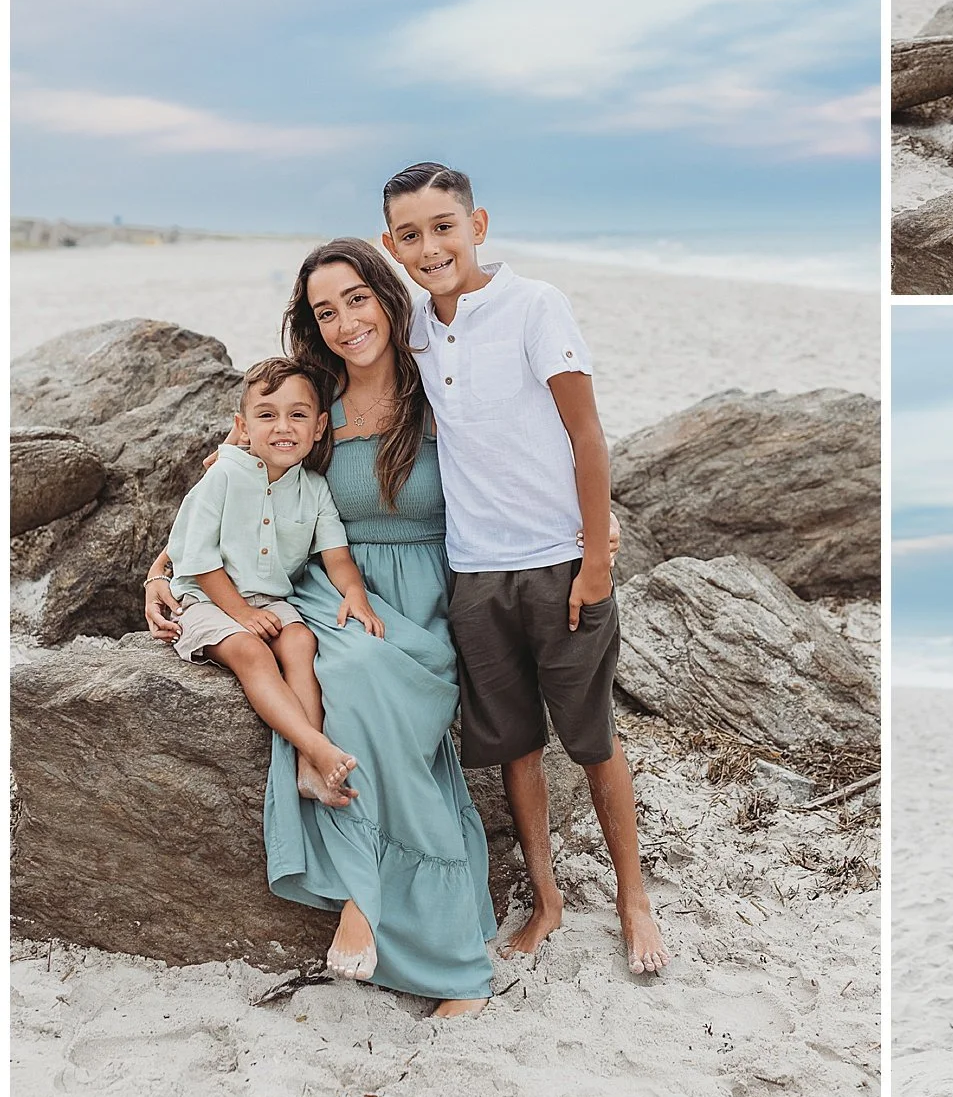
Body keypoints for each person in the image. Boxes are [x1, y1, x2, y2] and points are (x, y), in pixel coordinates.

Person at [147, 240, 500, 1015]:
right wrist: (156, 574)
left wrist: (594, 523)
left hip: (424, 597)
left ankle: (382, 908)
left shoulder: (440, 390)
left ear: (387, 295)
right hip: (317, 589)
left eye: (357, 299)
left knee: (380, 683)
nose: (343, 322)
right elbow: (217, 495)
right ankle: (365, 898)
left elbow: (522, 466)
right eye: (323, 310)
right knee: (345, 678)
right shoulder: (307, 402)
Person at [380, 161, 669, 977]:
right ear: (392, 244)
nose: (430, 246)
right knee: (514, 745)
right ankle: (546, 899)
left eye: (444, 226)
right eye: (411, 234)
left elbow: (587, 435)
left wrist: (595, 561)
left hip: (559, 565)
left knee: (592, 740)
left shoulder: (536, 305)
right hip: (475, 572)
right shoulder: (413, 327)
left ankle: (633, 898)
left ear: (477, 225)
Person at [162, 357, 379, 804]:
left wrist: (355, 592)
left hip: (269, 598)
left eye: (297, 415)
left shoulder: (314, 488)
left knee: (300, 642)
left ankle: (306, 769)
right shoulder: (222, 475)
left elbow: (336, 556)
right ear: (243, 426)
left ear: (319, 427)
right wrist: (240, 614)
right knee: (251, 651)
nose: (284, 427)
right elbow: (198, 558)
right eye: (267, 415)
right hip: (206, 597)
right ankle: (316, 746)